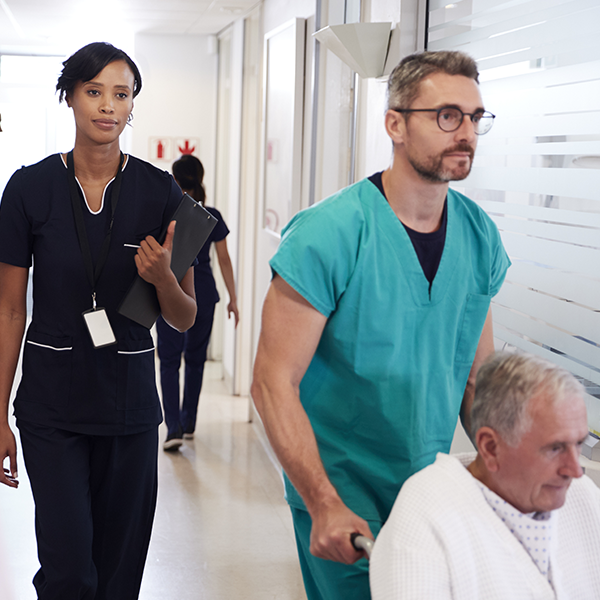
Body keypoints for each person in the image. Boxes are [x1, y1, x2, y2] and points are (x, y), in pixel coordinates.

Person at [250, 50, 511, 599]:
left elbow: (477, 381)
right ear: (394, 123)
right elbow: (273, 383)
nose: (465, 132)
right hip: (341, 493)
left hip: (428, 491)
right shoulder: (331, 232)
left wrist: (507, 478)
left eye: (474, 117)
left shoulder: (479, 236)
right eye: (446, 115)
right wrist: (322, 502)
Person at [0, 42, 197, 599]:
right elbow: (9, 308)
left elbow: (183, 317)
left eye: (122, 94)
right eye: (94, 91)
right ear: (70, 97)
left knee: (118, 576)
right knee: (68, 572)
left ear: (132, 106)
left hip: (129, 409)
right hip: (50, 409)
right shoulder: (28, 189)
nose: (108, 106)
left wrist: (163, 278)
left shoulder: (161, 193)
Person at [370, 351, 600, 599]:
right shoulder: (426, 522)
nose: (575, 471)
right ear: (491, 447)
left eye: (578, 444)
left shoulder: (582, 496)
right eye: (555, 448)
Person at [157, 154, 239, 451]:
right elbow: (225, 260)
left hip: (168, 294)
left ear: (175, 180)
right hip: (204, 294)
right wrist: (234, 298)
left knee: (168, 360)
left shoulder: (167, 215)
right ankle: (189, 421)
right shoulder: (211, 215)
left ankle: (173, 427)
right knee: (195, 359)